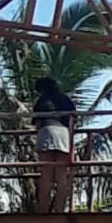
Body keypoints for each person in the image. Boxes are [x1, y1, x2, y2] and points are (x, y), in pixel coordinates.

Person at [32, 76, 76, 214]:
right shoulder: (65, 99)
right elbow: (72, 121)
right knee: (61, 175)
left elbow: (38, 123)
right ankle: (60, 210)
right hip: (63, 133)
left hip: (46, 131)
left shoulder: (41, 101)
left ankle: (43, 211)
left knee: (46, 175)